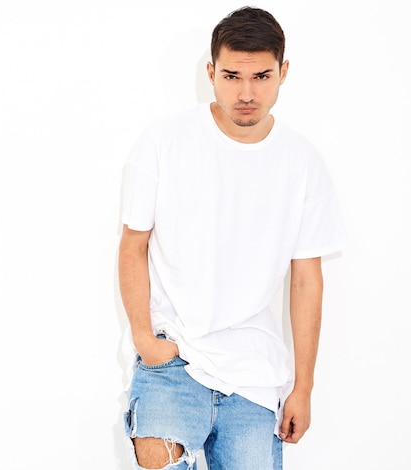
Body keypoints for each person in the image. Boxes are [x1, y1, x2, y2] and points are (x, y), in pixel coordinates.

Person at [117, 6, 346, 470]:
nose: (246, 92)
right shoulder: (165, 142)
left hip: (255, 375)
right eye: (231, 76)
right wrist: (146, 339)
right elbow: (132, 245)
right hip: (173, 359)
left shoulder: (303, 163)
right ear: (211, 72)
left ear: (283, 72)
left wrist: (303, 386)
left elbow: (306, 280)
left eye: (262, 76)